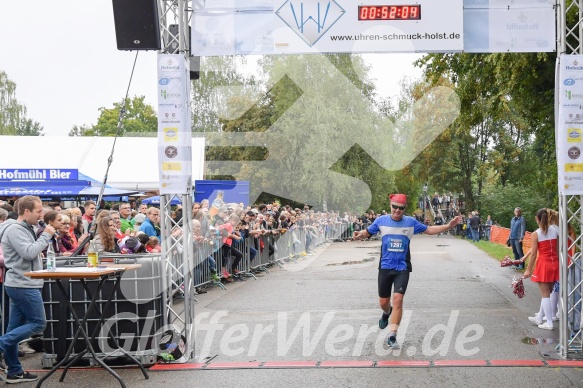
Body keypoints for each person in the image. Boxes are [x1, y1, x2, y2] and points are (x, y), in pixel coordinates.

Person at [352, 193, 462, 348]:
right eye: (394, 207)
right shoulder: (381, 221)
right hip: (385, 267)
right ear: (390, 206)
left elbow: (429, 230)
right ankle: (386, 313)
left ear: (405, 208)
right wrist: (359, 235)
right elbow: (367, 232)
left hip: (402, 268)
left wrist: (449, 226)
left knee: (398, 299)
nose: (397, 210)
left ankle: (392, 335)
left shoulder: (410, 222)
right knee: (384, 302)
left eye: (401, 208)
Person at [0, 195, 55, 383]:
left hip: (21, 282)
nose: (41, 215)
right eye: (38, 211)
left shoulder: (23, 228)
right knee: (38, 324)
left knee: (13, 329)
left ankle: (14, 370)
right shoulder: (15, 229)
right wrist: (46, 235)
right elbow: (29, 253)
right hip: (24, 284)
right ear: (26, 211)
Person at [523, 208, 559, 330]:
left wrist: (528, 269)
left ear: (537, 219)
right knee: (548, 292)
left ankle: (549, 322)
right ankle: (540, 318)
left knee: (545, 294)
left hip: (544, 264)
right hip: (555, 263)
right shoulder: (555, 230)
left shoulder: (536, 234)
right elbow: (559, 248)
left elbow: (533, 254)